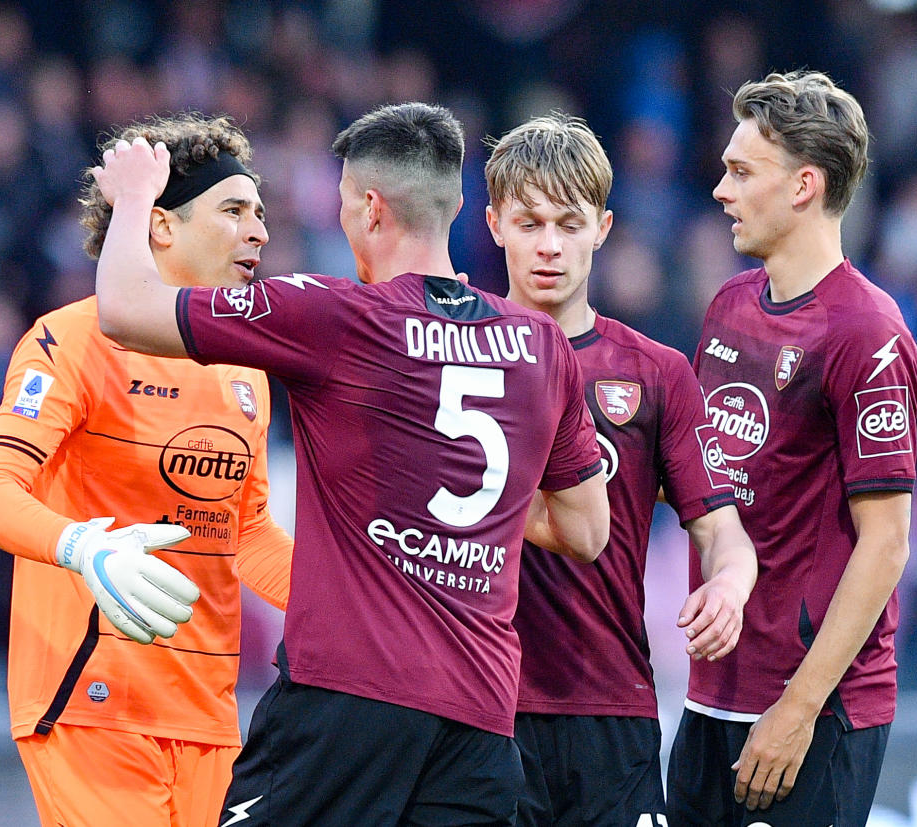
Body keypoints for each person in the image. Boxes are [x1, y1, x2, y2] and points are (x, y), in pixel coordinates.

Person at [90, 101, 609, 827]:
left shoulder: (336, 317)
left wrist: (136, 195)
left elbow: (122, 306)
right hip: (482, 715)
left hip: (345, 705)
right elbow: (588, 530)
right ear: (458, 206)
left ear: (369, 207)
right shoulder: (543, 345)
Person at [0, 112, 294, 827]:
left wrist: (349, 604)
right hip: (91, 698)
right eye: (234, 210)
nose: (259, 232)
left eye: (261, 214)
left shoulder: (246, 366)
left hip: (207, 715)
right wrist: (85, 547)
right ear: (162, 225)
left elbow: (249, 533)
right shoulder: (70, 340)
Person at [484, 113, 758, 826]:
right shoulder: (454, 356)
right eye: (530, 221)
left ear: (602, 228)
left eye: (569, 223)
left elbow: (723, 533)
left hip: (611, 712)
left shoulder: (657, 372)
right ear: (493, 224)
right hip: (480, 706)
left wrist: (728, 584)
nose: (549, 245)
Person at [666, 71, 917, 826]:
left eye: (742, 172)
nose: (721, 190)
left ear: (805, 184)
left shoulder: (867, 334)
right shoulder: (728, 305)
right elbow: (711, 476)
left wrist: (798, 709)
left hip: (812, 707)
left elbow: (887, 543)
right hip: (711, 691)